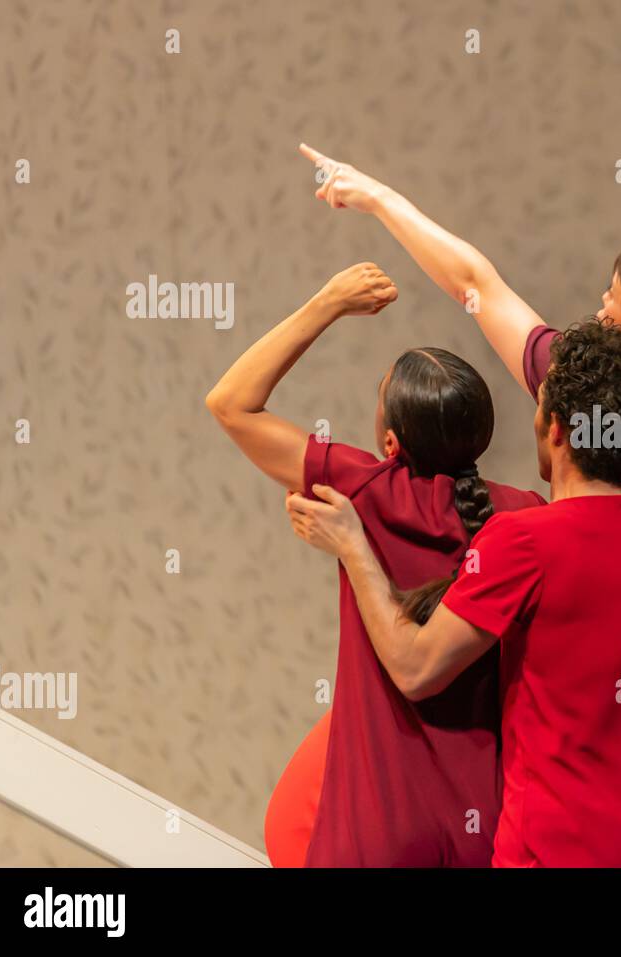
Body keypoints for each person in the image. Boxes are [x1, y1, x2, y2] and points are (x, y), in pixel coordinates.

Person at [296, 143, 621, 865]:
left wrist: (378, 198)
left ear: (556, 422)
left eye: (609, 310)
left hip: (563, 824)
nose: (594, 318)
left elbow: (473, 283)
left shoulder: (534, 519)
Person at [285, 321, 621, 866]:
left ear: (555, 427)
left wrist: (353, 547)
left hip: (551, 849)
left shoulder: (523, 540)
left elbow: (416, 668)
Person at [205, 263, 544, 866]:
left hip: (374, 831)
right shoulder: (522, 516)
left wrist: (328, 303)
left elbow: (231, 403)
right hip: (482, 831)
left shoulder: (365, 490)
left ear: (391, 445)